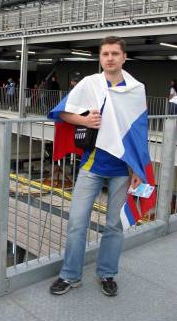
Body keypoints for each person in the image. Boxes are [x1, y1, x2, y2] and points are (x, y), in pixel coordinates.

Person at [49, 36, 151, 297]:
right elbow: (61, 113)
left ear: (123, 57)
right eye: (105, 54)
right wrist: (84, 121)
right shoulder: (90, 84)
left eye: (115, 53)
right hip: (92, 164)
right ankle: (70, 275)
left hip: (121, 168)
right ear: (100, 57)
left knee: (114, 225)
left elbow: (138, 132)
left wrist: (137, 169)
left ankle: (107, 273)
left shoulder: (136, 89)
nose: (110, 58)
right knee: (77, 222)